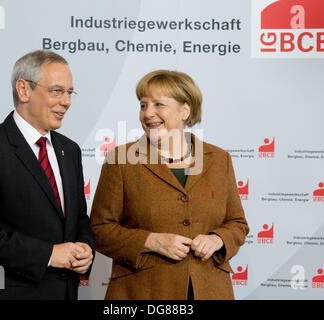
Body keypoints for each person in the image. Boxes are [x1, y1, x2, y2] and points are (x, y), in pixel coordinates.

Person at [90, 70, 249, 300]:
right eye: (143, 105)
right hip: (142, 292)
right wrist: (151, 241)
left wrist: (217, 239)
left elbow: (237, 223)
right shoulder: (121, 159)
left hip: (210, 290)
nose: (148, 114)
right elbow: (99, 229)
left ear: (185, 110)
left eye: (158, 104)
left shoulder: (219, 158)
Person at [0, 50, 94, 300]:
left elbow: (79, 219)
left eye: (70, 93)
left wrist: (85, 249)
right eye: (57, 91)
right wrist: (48, 254)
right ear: (23, 89)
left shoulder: (69, 150)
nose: (67, 101)